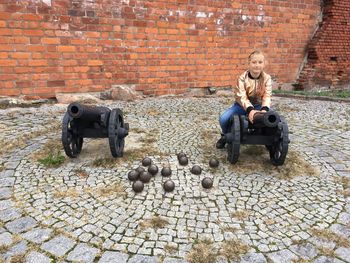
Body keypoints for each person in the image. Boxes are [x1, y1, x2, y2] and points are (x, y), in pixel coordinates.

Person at [216, 50, 272, 149]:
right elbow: (241, 96)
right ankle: (225, 136)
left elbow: (267, 96)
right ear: (249, 64)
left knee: (274, 119)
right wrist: (250, 110)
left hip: (259, 105)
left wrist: (264, 109)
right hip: (241, 106)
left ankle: (268, 137)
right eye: (254, 62)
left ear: (264, 64)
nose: (257, 65)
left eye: (260, 62)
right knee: (224, 119)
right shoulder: (242, 78)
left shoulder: (267, 78)